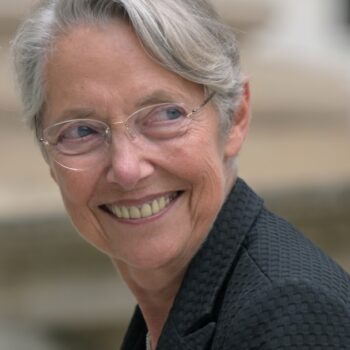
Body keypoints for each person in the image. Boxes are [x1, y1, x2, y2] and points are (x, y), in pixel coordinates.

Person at [11, 0, 350, 349]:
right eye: (82, 131)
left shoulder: (289, 314)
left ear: (235, 118)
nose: (127, 169)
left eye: (166, 114)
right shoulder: (166, 315)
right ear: (49, 159)